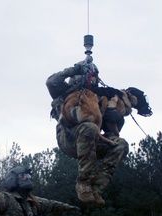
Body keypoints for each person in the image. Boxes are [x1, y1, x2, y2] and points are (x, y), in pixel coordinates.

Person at [46, 58, 129, 206]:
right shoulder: (64, 91)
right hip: (69, 138)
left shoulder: (97, 97)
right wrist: (75, 69)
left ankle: (96, 188)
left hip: (91, 141)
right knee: (89, 128)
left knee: (121, 144)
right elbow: (51, 81)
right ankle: (84, 183)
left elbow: (111, 128)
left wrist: (115, 116)